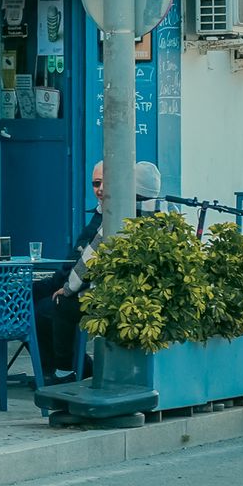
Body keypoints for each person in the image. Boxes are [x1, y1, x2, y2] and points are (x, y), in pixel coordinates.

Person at [35, 161, 161, 381]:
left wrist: (67, 288)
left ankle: (65, 370)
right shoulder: (164, 214)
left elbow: (89, 260)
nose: (102, 189)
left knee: (57, 305)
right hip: (146, 296)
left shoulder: (118, 216)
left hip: (109, 296)